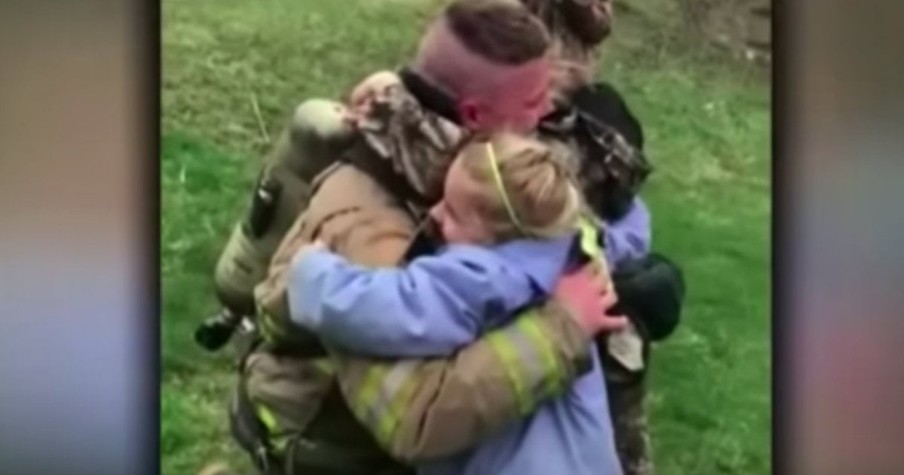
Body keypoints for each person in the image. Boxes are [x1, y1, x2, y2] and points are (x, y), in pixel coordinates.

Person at [204, 2, 631, 474]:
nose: (547, 111)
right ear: (472, 114)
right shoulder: (368, 227)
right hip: (335, 451)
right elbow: (413, 418)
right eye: (532, 102)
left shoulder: (463, 162)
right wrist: (565, 325)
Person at [287, 134, 622, 475]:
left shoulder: (488, 275)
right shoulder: (559, 254)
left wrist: (313, 275)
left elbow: (400, 307)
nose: (434, 213)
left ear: (496, 234)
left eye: (453, 211)